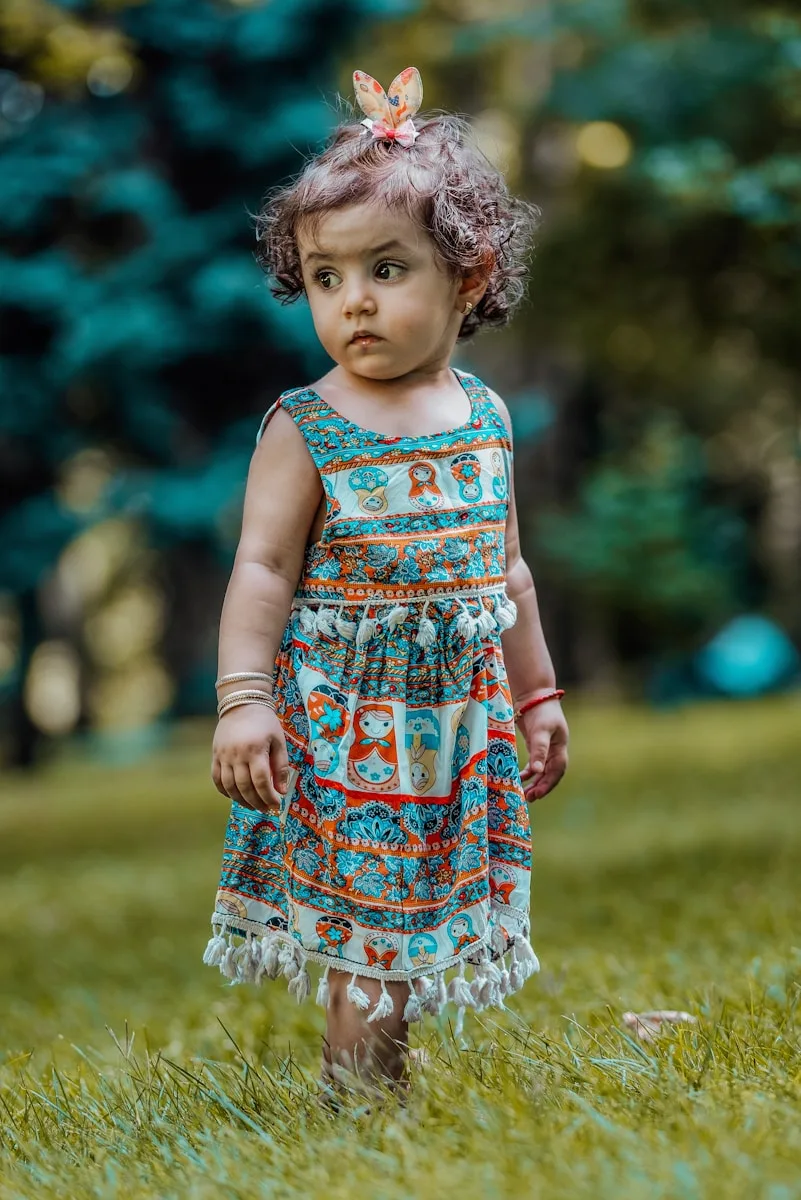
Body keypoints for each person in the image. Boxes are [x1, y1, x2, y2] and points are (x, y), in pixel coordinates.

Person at [203, 67, 569, 1095]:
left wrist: (536, 693)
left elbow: (508, 573)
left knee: (413, 925)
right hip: (349, 715)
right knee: (370, 931)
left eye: (386, 269)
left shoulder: (485, 417)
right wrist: (243, 701)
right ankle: (362, 1108)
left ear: (468, 273)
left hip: (458, 716)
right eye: (326, 278)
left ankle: (376, 1092)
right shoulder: (306, 426)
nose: (352, 300)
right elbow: (263, 569)